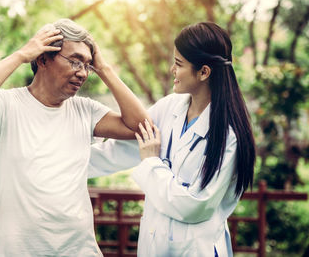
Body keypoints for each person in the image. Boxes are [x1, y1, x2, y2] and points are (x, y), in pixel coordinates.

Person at [0, 18, 150, 256]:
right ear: (42, 59)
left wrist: (104, 69)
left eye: (87, 65)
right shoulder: (8, 106)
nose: (82, 73)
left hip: (78, 249)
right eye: (75, 61)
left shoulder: (85, 110)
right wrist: (22, 54)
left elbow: (142, 127)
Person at [88, 22, 256, 256]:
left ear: (204, 72)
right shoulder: (169, 108)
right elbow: (119, 151)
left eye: (178, 64)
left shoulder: (229, 135)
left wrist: (151, 163)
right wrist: (57, 161)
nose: (171, 70)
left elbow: (195, 206)